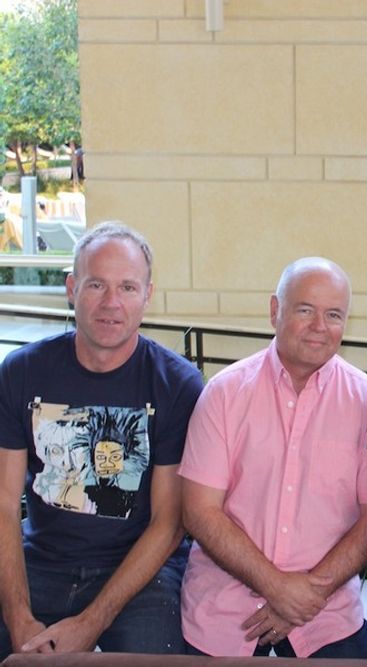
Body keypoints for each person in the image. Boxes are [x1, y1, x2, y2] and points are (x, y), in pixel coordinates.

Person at [0, 221, 204, 658]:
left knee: (150, 650)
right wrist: (18, 619)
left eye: (128, 288)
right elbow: (2, 504)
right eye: (96, 285)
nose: (112, 303)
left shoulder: (177, 385)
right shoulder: (21, 372)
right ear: (72, 288)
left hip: (140, 570)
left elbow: (169, 523)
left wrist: (90, 624)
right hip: (43, 559)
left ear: (147, 296)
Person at [179, 257, 367, 658]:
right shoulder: (224, 394)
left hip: (326, 614)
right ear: (275, 310)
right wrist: (277, 587)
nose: (319, 326)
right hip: (223, 611)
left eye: (334, 315)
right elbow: (199, 512)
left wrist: (308, 594)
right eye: (305, 310)